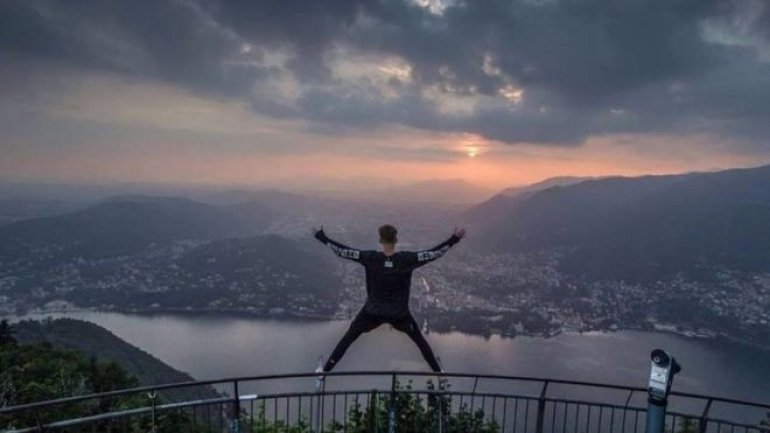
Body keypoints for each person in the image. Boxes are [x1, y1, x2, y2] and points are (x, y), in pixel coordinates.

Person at [312, 224, 465, 380]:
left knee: (348, 338)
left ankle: (325, 372)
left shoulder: (371, 258)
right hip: (399, 315)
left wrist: (321, 237)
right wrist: (454, 239)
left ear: (380, 240)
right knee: (420, 341)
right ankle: (439, 373)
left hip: (372, 312)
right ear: (396, 240)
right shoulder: (407, 259)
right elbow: (433, 254)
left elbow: (342, 251)